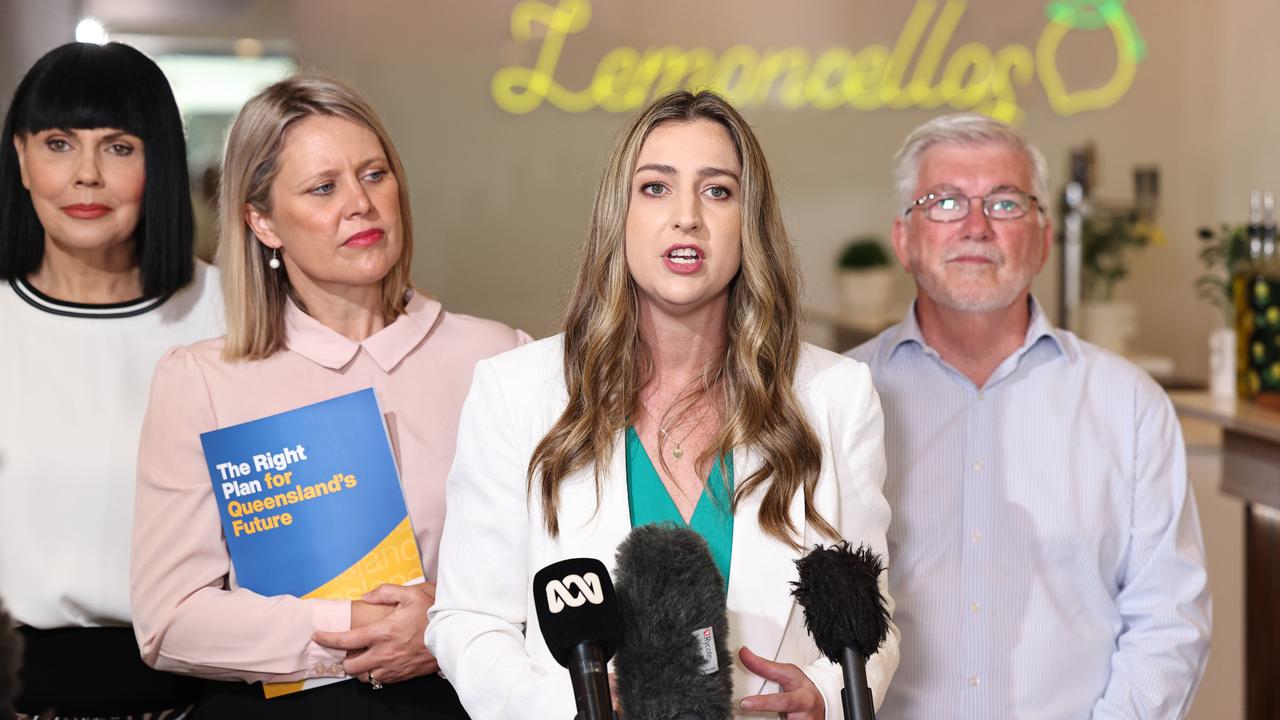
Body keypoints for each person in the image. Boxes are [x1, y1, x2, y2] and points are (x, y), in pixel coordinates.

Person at [427, 90, 899, 719]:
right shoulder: (516, 392)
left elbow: (874, 623)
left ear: (749, 223)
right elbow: (469, 621)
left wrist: (828, 697)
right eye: (655, 187)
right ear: (617, 216)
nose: (687, 217)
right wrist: (574, 706)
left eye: (718, 191)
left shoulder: (836, 396)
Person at [129, 74, 528, 718]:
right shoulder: (201, 381)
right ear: (262, 222)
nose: (361, 204)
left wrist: (448, 624)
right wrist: (355, 627)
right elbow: (171, 620)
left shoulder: (501, 356)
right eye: (323, 188)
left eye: (374, 175)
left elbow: (562, 566)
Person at [847, 113, 1211, 718]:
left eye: (1006, 203)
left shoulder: (1128, 406)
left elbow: (1169, 618)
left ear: (1043, 240)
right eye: (944, 202)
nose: (976, 226)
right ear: (904, 239)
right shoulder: (842, 399)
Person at [0, 41, 221, 716]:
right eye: (60, 143)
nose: (87, 176)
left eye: (120, 147)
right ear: (21, 158)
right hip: (29, 694)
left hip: (219, 692)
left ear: (158, 162)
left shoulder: (234, 311)